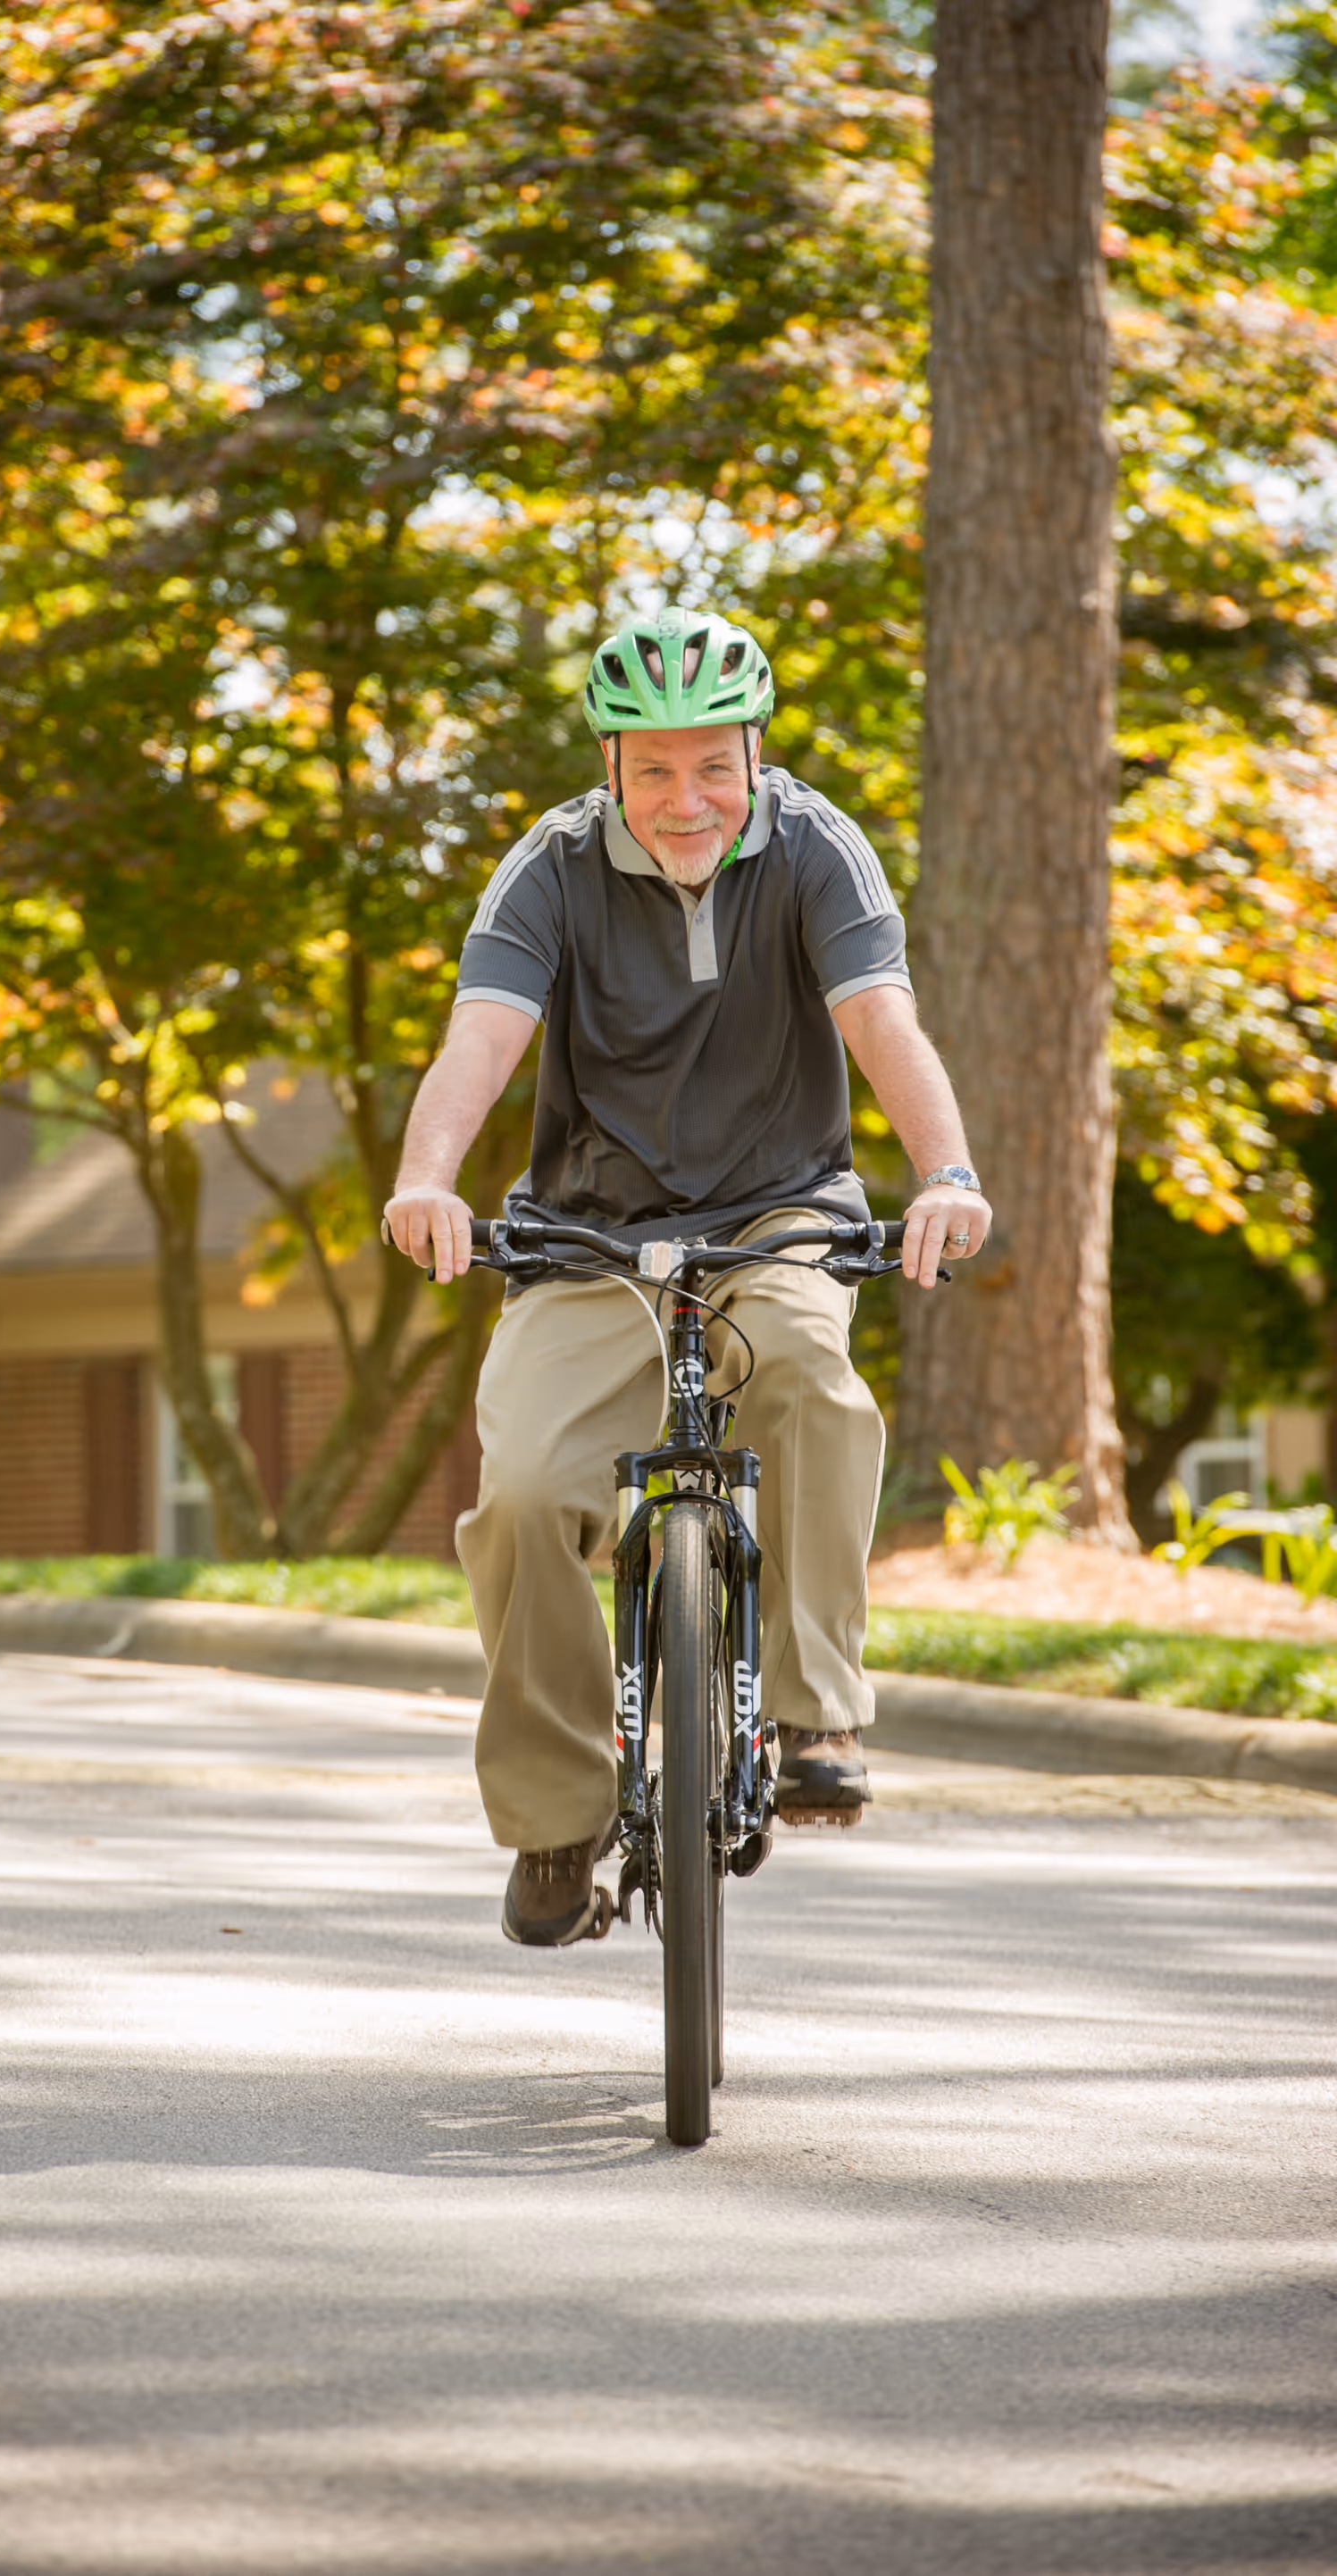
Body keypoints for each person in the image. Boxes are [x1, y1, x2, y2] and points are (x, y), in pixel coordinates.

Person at [383, 606, 992, 1947]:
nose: (685, 799)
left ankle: (811, 1704)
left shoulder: (818, 847)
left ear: (754, 756)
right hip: (588, 1234)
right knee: (529, 1493)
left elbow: (881, 1022)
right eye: (651, 769)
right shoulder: (545, 866)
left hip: (776, 1214)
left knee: (815, 1390)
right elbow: (483, 1039)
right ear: (609, 769)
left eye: (712, 765)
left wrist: (944, 1174)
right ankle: (556, 1817)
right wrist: (429, 1178)